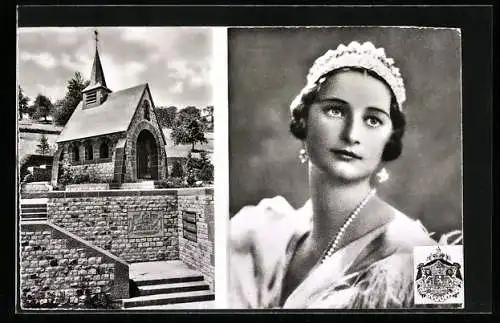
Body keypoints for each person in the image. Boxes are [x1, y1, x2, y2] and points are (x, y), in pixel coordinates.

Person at [228, 41, 444, 309]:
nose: (352, 134)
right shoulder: (259, 231)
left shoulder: (431, 258)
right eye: (336, 110)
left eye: (373, 119)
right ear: (304, 120)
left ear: (389, 140)